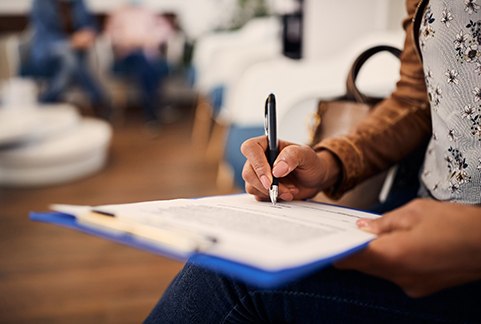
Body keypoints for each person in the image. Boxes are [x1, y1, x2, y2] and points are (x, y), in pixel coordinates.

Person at [145, 0, 481, 322]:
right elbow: (415, 99)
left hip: (458, 249)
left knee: (230, 279)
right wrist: (329, 162)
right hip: (419, 211)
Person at [27, 0, 111, 119]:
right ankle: (99, 99)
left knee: (70, 61)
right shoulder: (41, 3)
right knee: (69, 58)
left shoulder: (79, 3)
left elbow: (90, 24)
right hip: (48, 52)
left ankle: (45, 102)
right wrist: (70, 42)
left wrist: (88, 33)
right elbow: (44, 34)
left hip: (76, 53)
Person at [104, 0, 175, 126]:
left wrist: (151, 39)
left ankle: (151, 113)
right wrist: (131, 41)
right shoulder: (119, 13)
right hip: (127, 57)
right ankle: (154, 111)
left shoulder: (149, 12)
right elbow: (112, 35)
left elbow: (166, 31)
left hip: (148, 56)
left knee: (146, 66)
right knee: (144, 63)